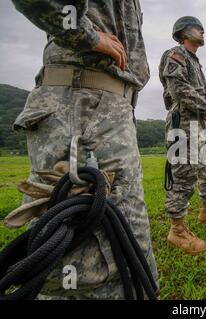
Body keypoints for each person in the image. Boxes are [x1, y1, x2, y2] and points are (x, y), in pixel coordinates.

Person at [11, 0, 158, 299]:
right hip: (83, 103)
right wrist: (86, 35)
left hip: (106, 105)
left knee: (122, 227)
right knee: (83, 244)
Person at [159, 16, 206, 256]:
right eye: (198, 28)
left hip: (196, 124)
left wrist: (202, 111)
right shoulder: (175, 54)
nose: (202, 31)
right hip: (182, 123)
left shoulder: (194, 61)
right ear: (183, 31)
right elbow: (179, 90)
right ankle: (177, 229)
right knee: (183, 175)